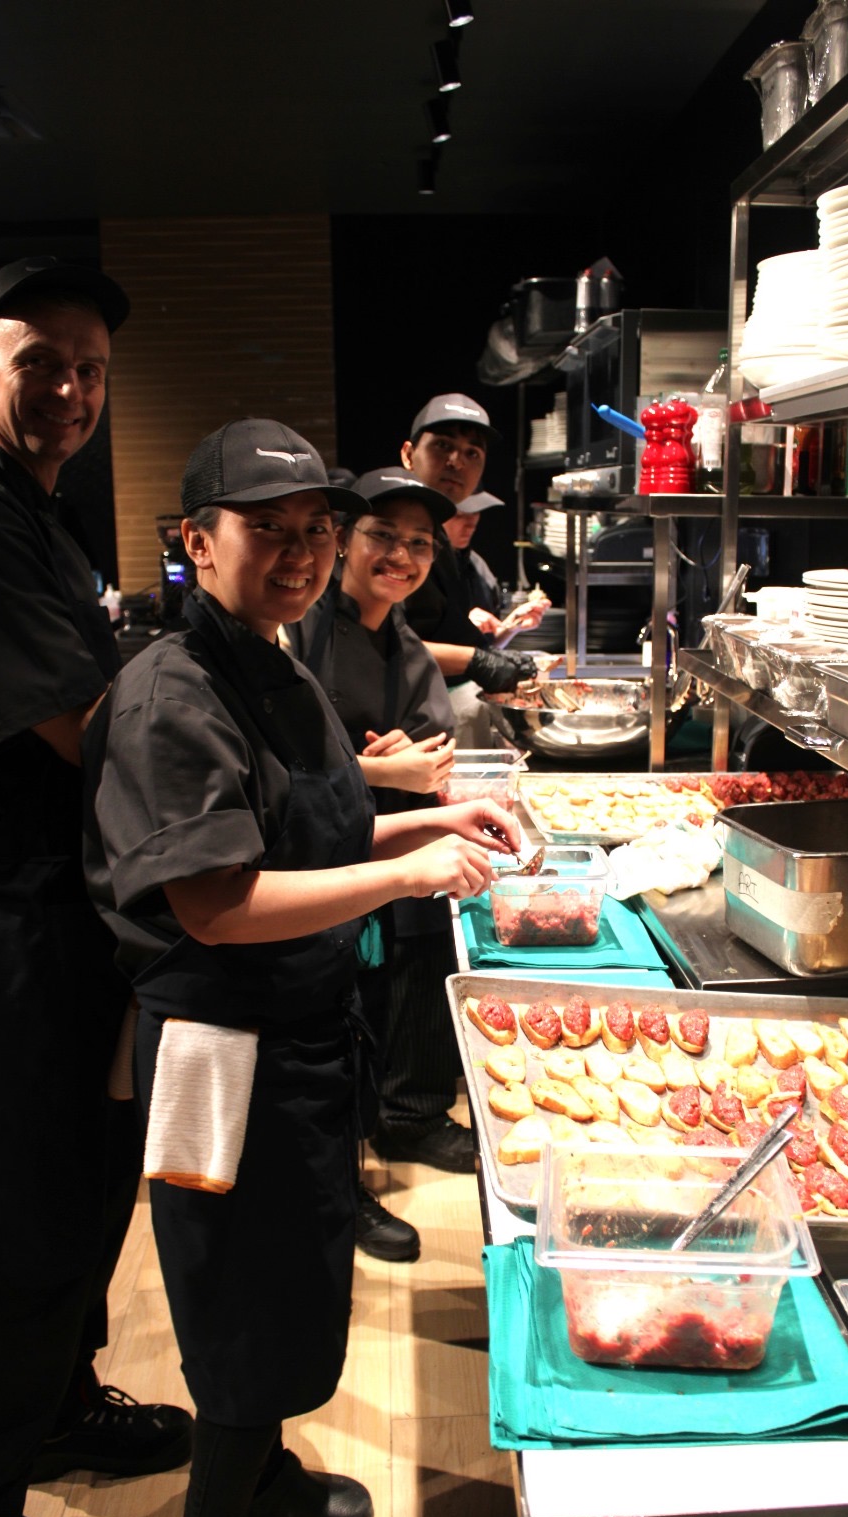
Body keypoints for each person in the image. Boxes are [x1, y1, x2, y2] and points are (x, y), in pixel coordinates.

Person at [83, 418, 520, 1517]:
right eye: (266, 529)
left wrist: (430, 820)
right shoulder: (171, 691)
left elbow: (311, 832)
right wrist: (406, 875)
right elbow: (220, 903)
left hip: (305, 1033)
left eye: (316, 530)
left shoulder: (276, 661)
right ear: (197, 542)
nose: (300, 553)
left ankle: (266, 1474)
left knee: (291, 1276)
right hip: (217, 1051)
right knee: (234, 1295)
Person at [0, 257, 192, 1517]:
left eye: (91, 369)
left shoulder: (47, 514)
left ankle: (63, 1402)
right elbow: (82, 727)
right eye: (43, 363)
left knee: (95, 1182)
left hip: (87, 901)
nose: (73, 391)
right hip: (20, 914)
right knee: (32, 1212)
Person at [289, 466, 471, 1187]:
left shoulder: (403, 640)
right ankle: (348, 1163)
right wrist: (376, 769)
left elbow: (432, 746)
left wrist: (414, 759)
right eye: (383, 536)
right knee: (340, 1001)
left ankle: (408, 1116)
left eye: (420, 543)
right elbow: (282, 762)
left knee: (417, 964)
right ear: (342, 539)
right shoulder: (300, 627)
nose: (401, 555)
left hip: (390, 840)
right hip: (316, 854)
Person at [400, 394, 540, 746]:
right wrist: (477, 660)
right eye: (442, 445)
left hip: (425, 719)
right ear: (408, 455)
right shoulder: (389, 532)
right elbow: (379, 644)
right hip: (386, 730)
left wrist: (493, 647)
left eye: (471, 453)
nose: (456, 461)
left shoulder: (440, 544)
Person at [443, 489, 551, 643]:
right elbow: (413, 649)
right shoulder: (423, 570)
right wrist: (461, 627)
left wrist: (511, 626)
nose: (470, 524)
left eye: (475, 513)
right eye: (459, 515)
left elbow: (488, 647)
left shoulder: (477, 566)